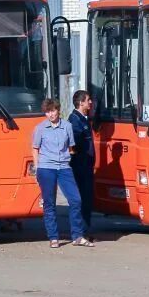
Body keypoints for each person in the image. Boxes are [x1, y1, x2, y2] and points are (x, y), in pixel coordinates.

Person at [32, 98, 90, 248]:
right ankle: (53, 237)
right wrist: (37, 167)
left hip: (64, 167)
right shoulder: (40, 128)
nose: (50, 114)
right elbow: (35, 148)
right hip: (46, 168)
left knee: (76, 200)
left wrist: (67, 160)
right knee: (49, 202)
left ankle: (77, 235)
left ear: (58, 110)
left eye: (53, 111)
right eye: (47, 112)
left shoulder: (67, 126)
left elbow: (71, 148)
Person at [68, 90, 96, 241]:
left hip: (86, 165)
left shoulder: (83, 119)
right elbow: (74, 141)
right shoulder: (74, 120)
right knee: (81, 199)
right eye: (88, 100)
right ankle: (80, 232)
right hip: (80, 166)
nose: (90, 103)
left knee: (87, 198)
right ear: (80, 103)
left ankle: (85, 229)